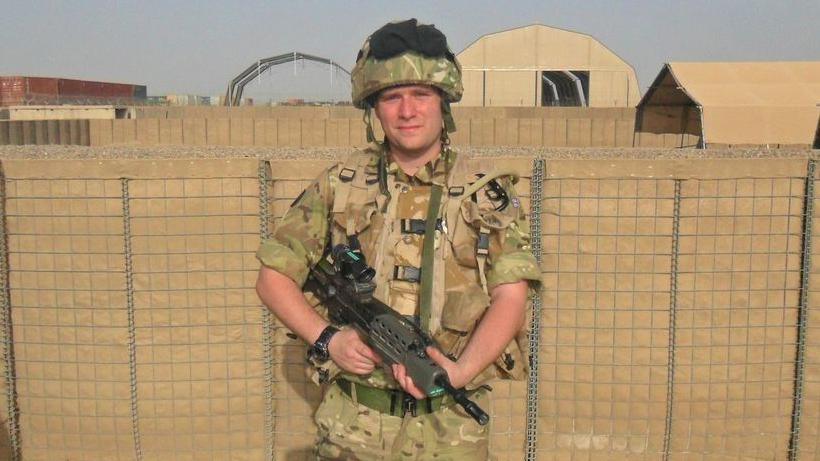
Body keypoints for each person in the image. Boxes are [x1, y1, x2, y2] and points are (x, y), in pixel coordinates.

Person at [256, 19, 541, 460]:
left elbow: (512, 295)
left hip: (451, 432)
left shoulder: (486, 193)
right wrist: (327, 338)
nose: (407, 111)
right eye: (392, 97)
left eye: (421, 95)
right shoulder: (339, 185)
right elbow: (273, 277)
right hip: (353, 426)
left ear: (443, 102)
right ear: (375, 107)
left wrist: (460, 371)